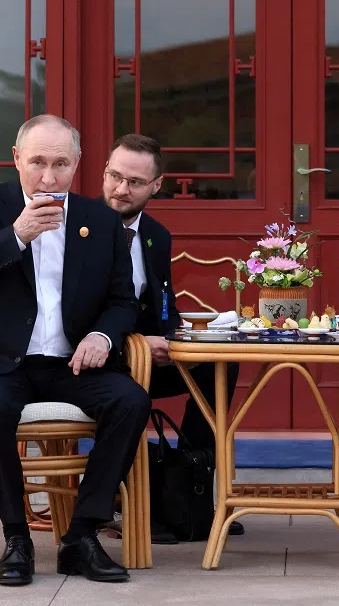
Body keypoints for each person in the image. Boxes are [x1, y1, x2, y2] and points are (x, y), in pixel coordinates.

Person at [0, 115, 150, 586]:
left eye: (60, 164)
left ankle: (81, 535)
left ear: (78, 164)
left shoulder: (101, 221)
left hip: (69, 362)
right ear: (16, 159)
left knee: (130, 401)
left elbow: (122, 301)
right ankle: (17, 538)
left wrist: (103, 337)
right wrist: (15, 236)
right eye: (37, 163)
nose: (48, 177)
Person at [100, 133, 243, 543]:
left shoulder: (156, 235)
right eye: (114, 176)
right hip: (95, 360)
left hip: (145, 356)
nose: (121, 189)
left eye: (135, 182)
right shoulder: (77, 227)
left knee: (220, 364)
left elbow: (164, 305)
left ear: (156, 186)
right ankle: (138, 503)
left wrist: (176, 340)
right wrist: (134, 343)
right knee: (131, 386)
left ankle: (186, 494)